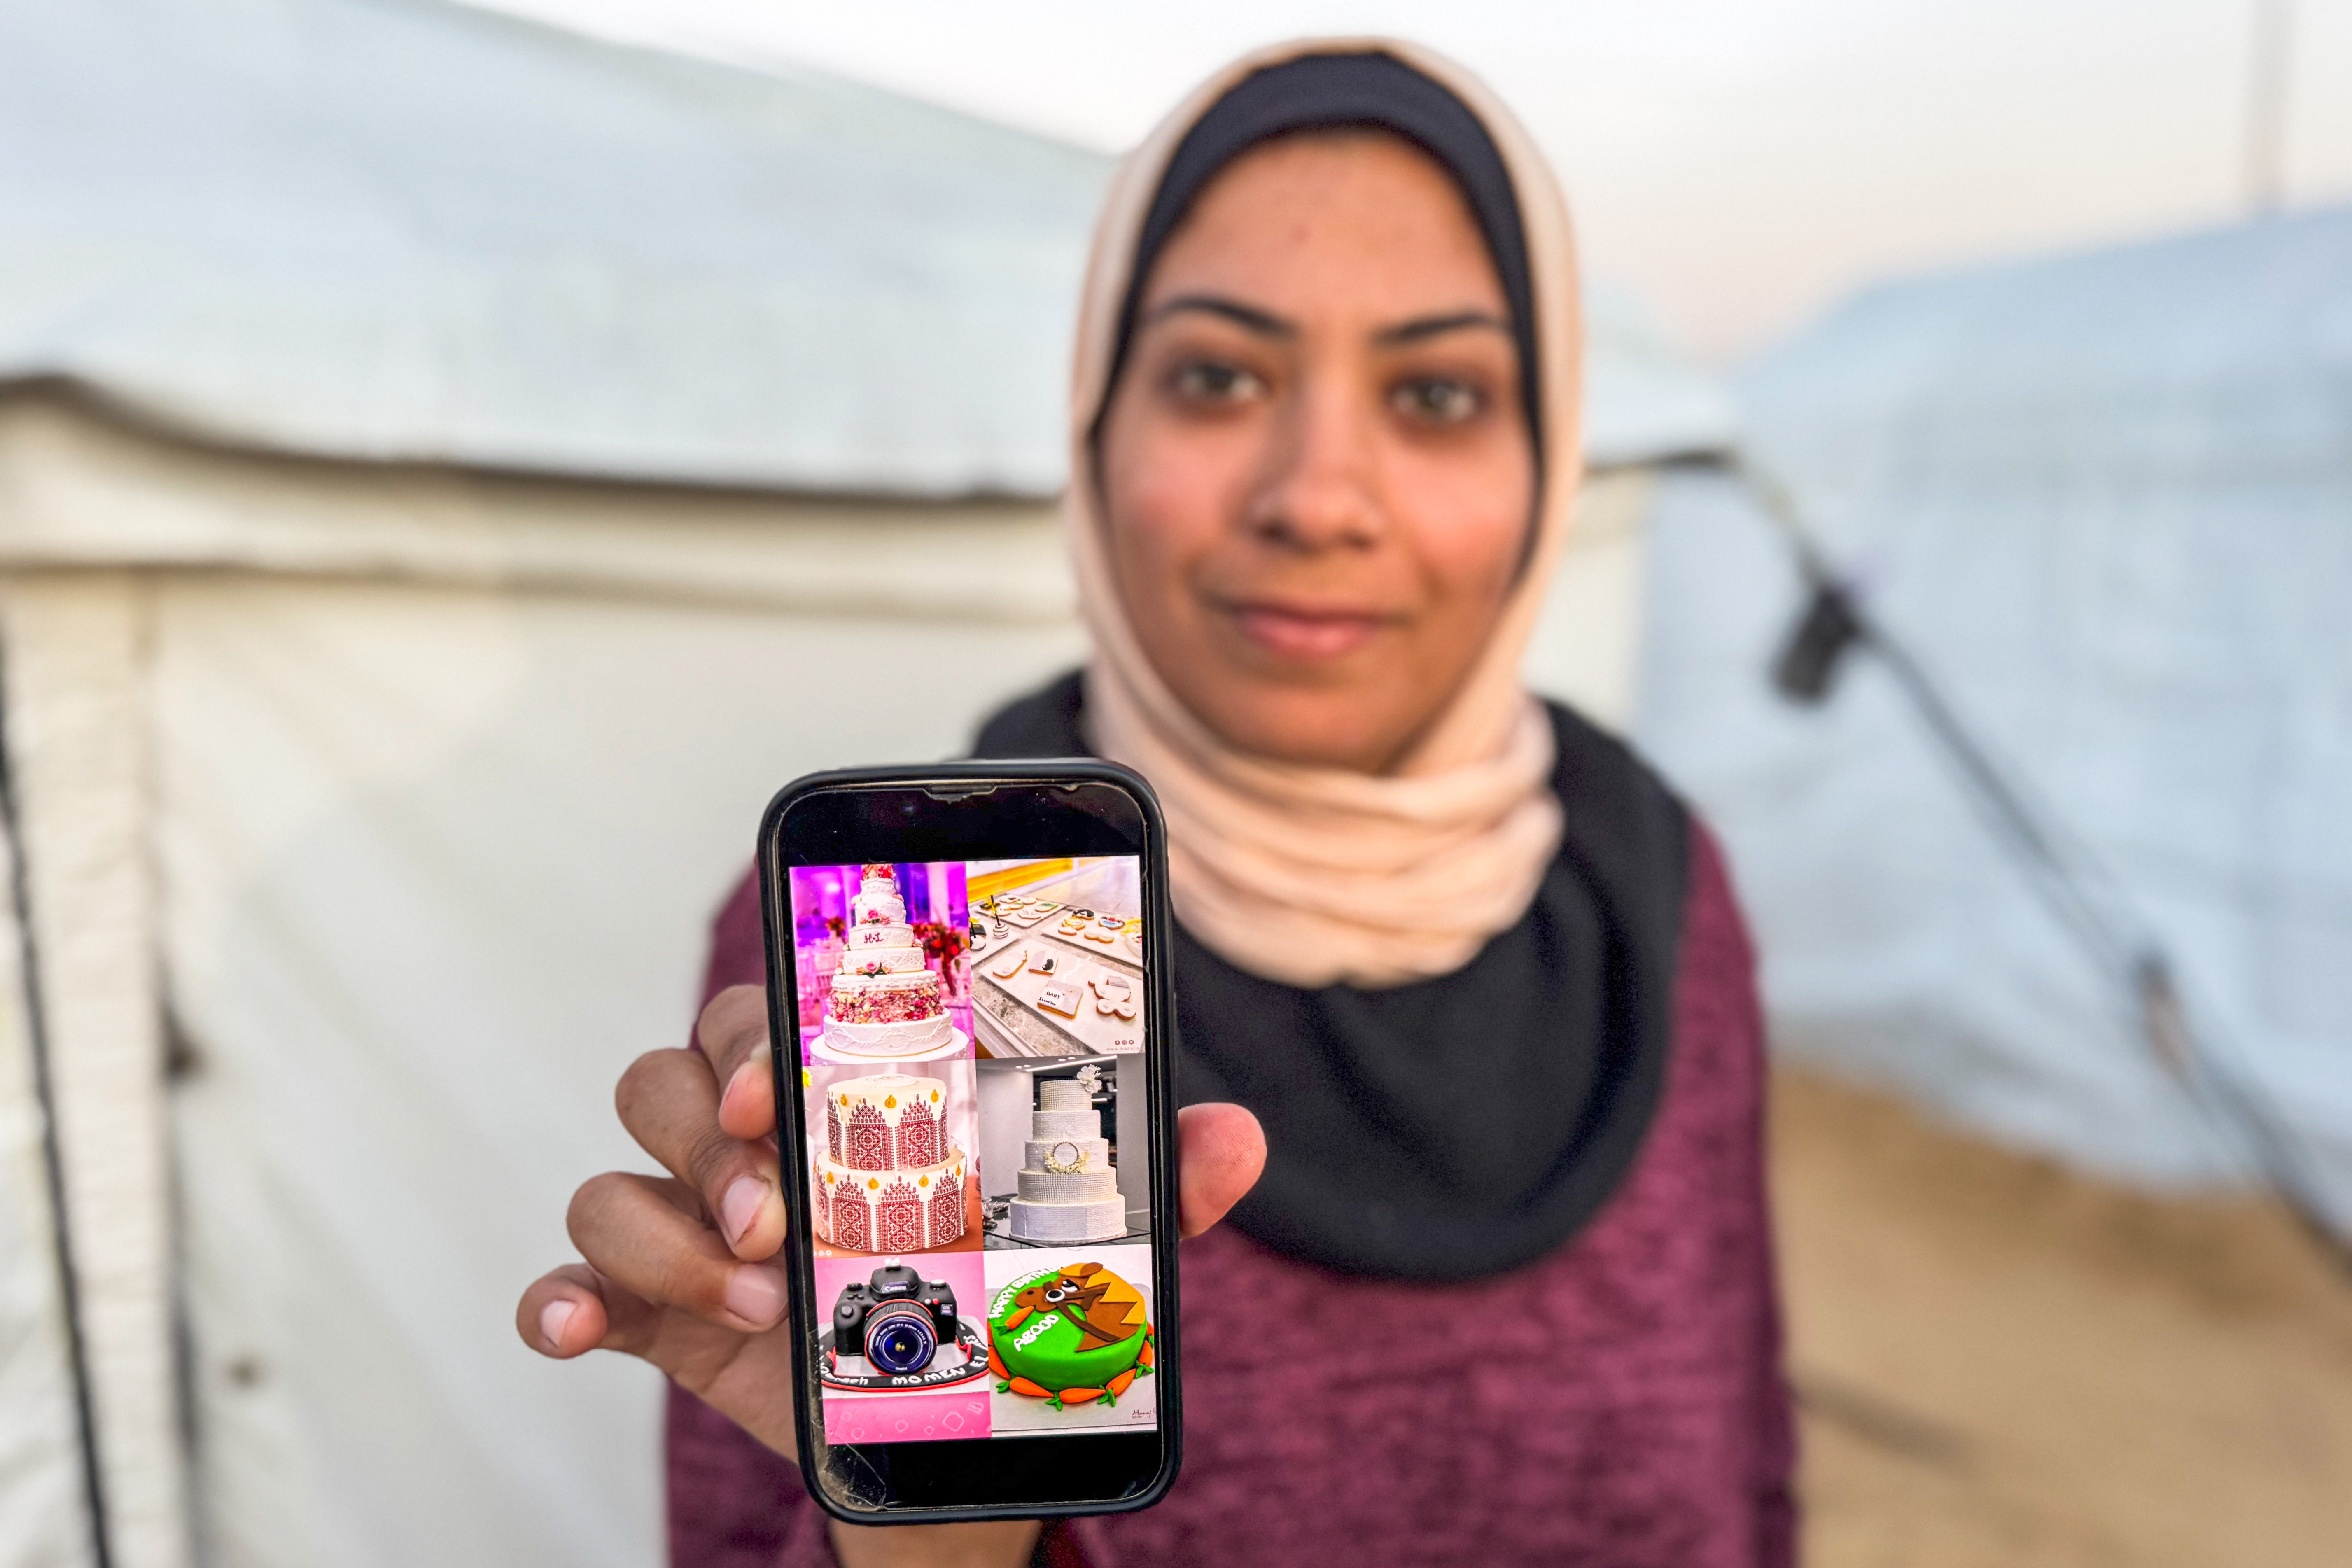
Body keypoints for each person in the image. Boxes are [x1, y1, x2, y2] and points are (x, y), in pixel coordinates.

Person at [518, 39, 1794, 1568]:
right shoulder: (907, 944)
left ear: (1551, 461)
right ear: (1094, 423)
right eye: (1217, 378)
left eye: (1439, 393)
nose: (1316, 498)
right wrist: (943, 1529)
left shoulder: (1650, 887)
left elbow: (1752, 1481)